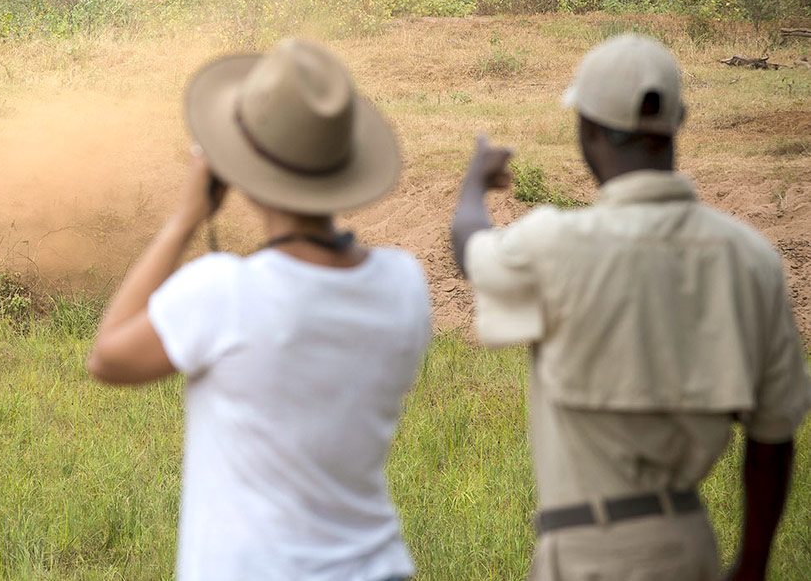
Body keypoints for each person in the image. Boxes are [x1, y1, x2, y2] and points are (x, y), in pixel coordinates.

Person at [450, 33, 811, 580]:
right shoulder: (750, 258)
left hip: (586, 552)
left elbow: (470, 247)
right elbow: (773, 437)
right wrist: (753, 565)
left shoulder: (556, 243)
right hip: (689, 545)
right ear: (677, 123)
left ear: (588, 128)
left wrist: (474, 185)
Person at [86, 38, 431, 581]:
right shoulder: (404, 284)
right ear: (344, 164)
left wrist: (183, 221)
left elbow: (109, 357)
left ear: (239, 171)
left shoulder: (225, 292)